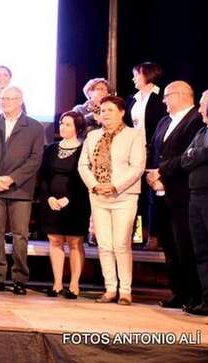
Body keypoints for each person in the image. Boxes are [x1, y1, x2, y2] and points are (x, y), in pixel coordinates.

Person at [78, 95, 145, 305]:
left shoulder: (133, 135)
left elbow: (137, 167)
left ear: (122, 112)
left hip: (124, 196)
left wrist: (115, 186)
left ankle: (125, 290)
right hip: (98, 196)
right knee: (105, 244)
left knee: (121, 244)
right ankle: (110, 289)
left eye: (110, 110)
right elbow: (83, 165)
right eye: (103, 110)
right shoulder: (93, 136)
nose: (105, 114)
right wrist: (95, 185)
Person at [146, 81, 204, 309]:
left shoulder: (196, 121)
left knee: (186, 246)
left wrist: (162, 172)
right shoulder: (163, 121)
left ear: (181, 95)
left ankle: (194, 295)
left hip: (182, 193)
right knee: (169, 246)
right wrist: (151, 175)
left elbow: (188, 156)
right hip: (159, 193)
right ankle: (178, 292)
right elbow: (154, 151)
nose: (163, 100)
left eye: (167, 96)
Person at [0, 86, 43, 296]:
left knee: (20, 235)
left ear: (20, 100)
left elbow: (35, 159)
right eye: (3, 98)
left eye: (11, 98)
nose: (6, 102)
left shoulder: (34, 127)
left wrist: (12, 178)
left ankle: (19, 279)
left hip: (20, 189)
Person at [40, 111, 90, 299]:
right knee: (55, 240)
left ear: (77, 128)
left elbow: (82, 179)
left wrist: (67, 199)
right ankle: (57, 283)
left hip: (75, 202)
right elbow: (44, 176)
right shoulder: (51, 149)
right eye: (62, 123)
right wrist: (49, 197)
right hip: (52, 202)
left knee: (75, 242)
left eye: (68, 124)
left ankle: (74, 284)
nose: (63, 127)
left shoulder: (83, 149)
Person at [182, 89, 208, 316]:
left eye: (202, 104)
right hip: (196, 195)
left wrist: (199, 154)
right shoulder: (202, 132)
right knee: (201, 250)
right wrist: (200, 154)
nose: (199, 109)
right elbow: (187, 159)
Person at [124, 61, 167, 248]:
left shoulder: (160, 97)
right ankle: (136, 235)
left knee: (152, 196)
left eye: (137, 74)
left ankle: (154, 235)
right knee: (134, 194)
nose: (134, 78)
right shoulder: (132, 98)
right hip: (133, 151)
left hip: (152, 151)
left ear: (148, 75)